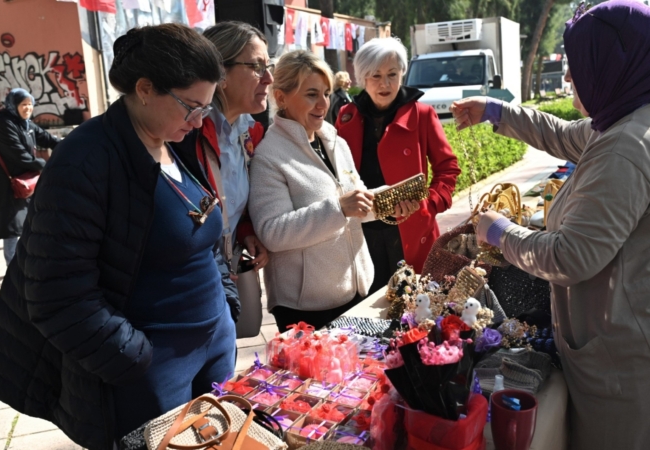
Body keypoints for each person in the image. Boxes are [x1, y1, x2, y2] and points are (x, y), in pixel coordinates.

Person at [451, 2, 650, 449]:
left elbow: (569, 257)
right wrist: (495, 111)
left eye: (577, 66)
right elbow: (565, 135)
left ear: (609, 66)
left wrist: (499, 232)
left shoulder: (627, 145)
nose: (569, 79)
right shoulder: (639, 116)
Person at [0, 24, 238, 449]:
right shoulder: (85, 160)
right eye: (191, 106)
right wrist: (136, 358)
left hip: (209, 352)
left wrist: (225, 304)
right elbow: (55, 294)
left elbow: (203, 231)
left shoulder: (172, 137)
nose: (198, 121)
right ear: (144, 89)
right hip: (148, 378)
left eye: (206, 108)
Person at [249, 50, 417, 332]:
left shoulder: (333, 139)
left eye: (327, 93)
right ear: (281, 98)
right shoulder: (269, 156)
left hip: (355, 291)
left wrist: (389, 203)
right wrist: (338, 208)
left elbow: (357, 199)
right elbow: (272, 232)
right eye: (312, 94)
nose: (323, 104)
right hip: (305, 307)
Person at [336, 37, 460, 295]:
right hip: (363, 231)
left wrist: (429, 205)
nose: (385, 83)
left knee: (415, 306)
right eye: (375, 75)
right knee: (368, 308)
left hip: (411, 228)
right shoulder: (347, 116)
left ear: (402, 73)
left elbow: (447, 168)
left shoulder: (422, 113)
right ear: (362, 77)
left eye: (392, 74)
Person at [179, 21, 272, 284]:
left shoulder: (251, 132)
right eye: (257, 67)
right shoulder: (185, 132)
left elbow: (231, 205)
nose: (269, 78)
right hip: (192, 278)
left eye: (269, 66)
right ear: (221, 74)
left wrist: (245, 232)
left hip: (226, 270)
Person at [0, 88, 59, 265]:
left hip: (25, 182)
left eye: (30, 105)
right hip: (7, 183)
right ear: (13, 105)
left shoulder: (25, 123)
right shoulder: (2, 123)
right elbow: (18, 155)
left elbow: (47, 138)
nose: (27, 108)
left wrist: (69, 147)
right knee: (13, 228)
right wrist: (48, 165)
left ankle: (28, 264)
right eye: (23, 105)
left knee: (29, 223)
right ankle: (13, 269)